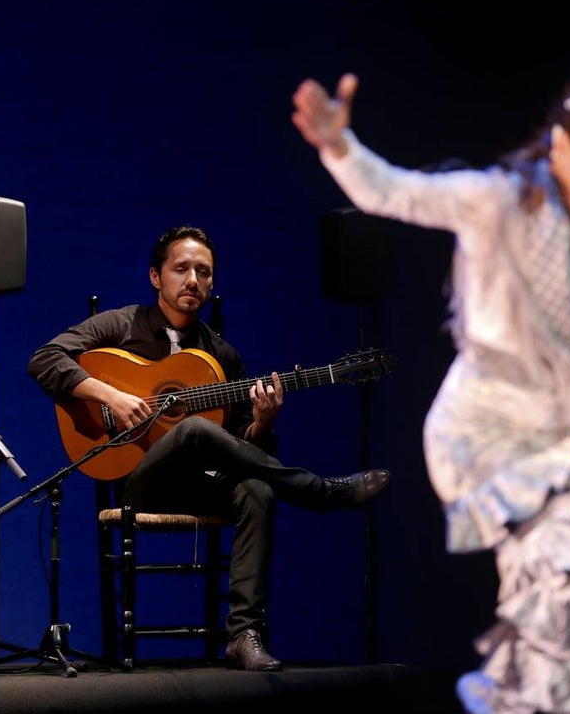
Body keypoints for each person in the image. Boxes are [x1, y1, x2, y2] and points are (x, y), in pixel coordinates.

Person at [291, 54, 570, 714]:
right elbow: (394, 191)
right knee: (565, 614)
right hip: (490, 430)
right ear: (561, 143)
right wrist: (339, 145)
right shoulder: (498, 201)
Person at [27, 224, 391, 671]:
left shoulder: (222, 356)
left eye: (204, 271)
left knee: (256, 490)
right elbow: (45, 359)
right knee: (194, 430)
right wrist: (110, 395)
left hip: (201, 485)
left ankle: (243, 635)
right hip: (139, 482)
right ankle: (318, 491)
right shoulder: (120, 325)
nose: (193, 280)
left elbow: (238, 446)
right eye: (181, 269)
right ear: (156, 277)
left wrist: (261, 423)